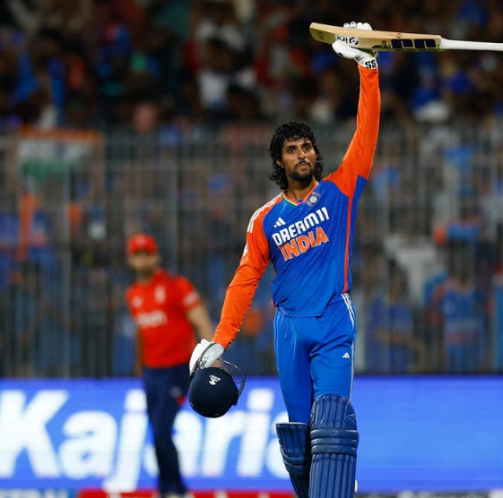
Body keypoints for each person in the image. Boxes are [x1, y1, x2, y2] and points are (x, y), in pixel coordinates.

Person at [189, 22, 380, 498]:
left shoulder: (339, 191)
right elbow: (244, 281)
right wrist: (220, 339)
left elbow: (366, 132)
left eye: (307, 147)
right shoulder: (264, 220)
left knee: (331, 426)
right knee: (301, 441)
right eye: (292, 150)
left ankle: (336, 483)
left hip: (333, 319)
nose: (302, 154)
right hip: (289, 328)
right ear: (280, 162)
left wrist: (368, 67)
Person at [125, 233, 214, 498]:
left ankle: (175, 489)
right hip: (151, 371)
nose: (143, 260)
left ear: (157, 256)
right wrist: (139, 363)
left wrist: (213, 356)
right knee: (156, 431)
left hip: (176, 369)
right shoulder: (133, 294)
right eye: (137, 255)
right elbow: (141, 332)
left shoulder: (177, 286)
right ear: (131, 260)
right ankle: (167, 488)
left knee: (162, 430)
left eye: (147, 254)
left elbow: (201, 320)